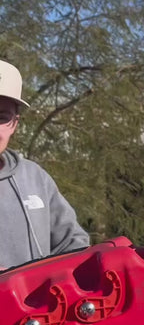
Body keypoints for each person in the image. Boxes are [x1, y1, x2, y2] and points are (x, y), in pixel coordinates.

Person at [0, 59, 90, 270]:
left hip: (37, 303)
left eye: (2, 117)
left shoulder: (34, 177)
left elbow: (72, 244)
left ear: (14, 124)